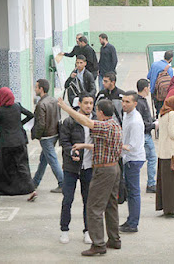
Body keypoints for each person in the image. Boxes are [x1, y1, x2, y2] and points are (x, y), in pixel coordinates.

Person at [58, 98, 123, 256]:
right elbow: (99, 145)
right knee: (111, 205)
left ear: (100, 112)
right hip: (114, 167)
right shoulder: (115, 125)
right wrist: (84, 145)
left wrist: (66, 108)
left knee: (93, 207)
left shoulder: (104, 125)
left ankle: (98, 244)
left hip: (104, 171)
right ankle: (114, 239)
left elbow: (86, 122)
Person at [59, 92, 96, 245]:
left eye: (91, 103)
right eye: (86, 103)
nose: (88, 106)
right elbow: (64, 141)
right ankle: (64, 230)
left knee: (88, 200)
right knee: (68, 199)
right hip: (71, 168)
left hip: (89, 167)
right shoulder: (69, 122)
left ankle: (87, 231)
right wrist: (71, 152)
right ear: (79, 104)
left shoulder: (96, 121)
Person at [0, 87, 36, 201]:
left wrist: (4, 130)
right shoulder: (17, 106)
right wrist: (19, 125)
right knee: (22, 167)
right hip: (20, 142)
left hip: (5, 144)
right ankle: (32, 190)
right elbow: (31, 115)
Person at [119, 91, 146, 233]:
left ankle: (133, 223)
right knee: (130, 192)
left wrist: (116, 146)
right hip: (128, 159)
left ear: (135, 104)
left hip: (133, 159)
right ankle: (130, 220)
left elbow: (132, 145)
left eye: (127, 102)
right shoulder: (126, 115)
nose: (124, 104)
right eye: (123, 101)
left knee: (133, 192)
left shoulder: (135, 121)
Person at [32, 79, 64, 193]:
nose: (35, 89)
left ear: (41, 89)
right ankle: (35, 181)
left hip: (46, 136)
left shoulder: (41, 104)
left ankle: (62, 183)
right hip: (54, 133)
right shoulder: (54, 100)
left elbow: (40, 124)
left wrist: (37, 135)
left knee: (52, 160)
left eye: (36, 87)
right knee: (44, 159)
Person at [136, 79, 158, 193]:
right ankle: (151, 183)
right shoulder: (141, 103)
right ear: (145, 88)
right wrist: (153, 125)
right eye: (149, 87)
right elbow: (142, 122)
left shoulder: (140, 101)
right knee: (151, 158)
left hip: (145, 133)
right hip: (145, 135)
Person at [147, 50, 174, 116]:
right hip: (163, 94)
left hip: (153, 91)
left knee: (157, 109)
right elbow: (170, 82)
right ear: (171, 59)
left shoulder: (154, 64)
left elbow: (148, 76)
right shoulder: (169, 69)